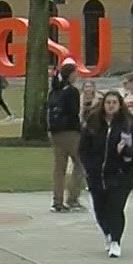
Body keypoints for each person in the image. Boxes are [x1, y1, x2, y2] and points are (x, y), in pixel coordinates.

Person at [79, 90, 133, 258]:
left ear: (119, 105)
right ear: (103, 105)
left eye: (114, 103)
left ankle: (116, 240)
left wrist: (126, 151)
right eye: (108, 102)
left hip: (120, 174)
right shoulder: (94, 123)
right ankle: (108, 233)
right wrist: (89, 166)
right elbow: (83, 149)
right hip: (97, 175)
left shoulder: (127, 124)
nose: (111, 106)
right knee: (100, 209)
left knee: (115, 208)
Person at [45, 58, 86, 213]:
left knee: (59, 168)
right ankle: (73, 198)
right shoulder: (72, 92)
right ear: (71, 75)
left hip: (55, 132)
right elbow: (74, 113)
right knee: (81, 163)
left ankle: (57, 201)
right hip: (70, 132)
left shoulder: (54, 91)